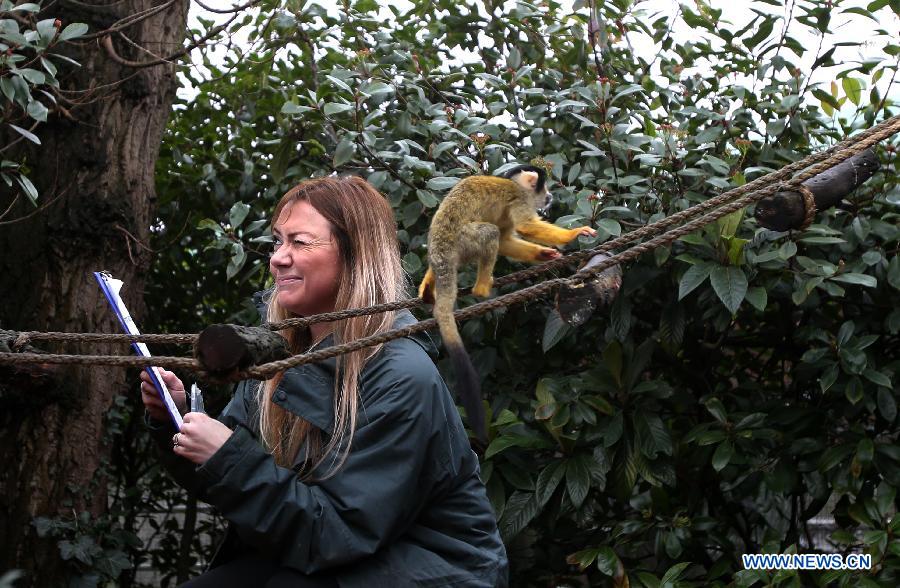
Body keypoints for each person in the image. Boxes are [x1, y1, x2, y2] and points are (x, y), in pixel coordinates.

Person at [140, 176, 509, 587]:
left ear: (355, 256)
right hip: (331, 550)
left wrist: (227, 455)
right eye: (277, 241)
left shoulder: (401, 374)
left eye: (299, 242)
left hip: (433, 568)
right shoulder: (276, 352)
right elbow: (230, 477)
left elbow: (337, 532)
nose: (278, 257)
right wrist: (176, 423)